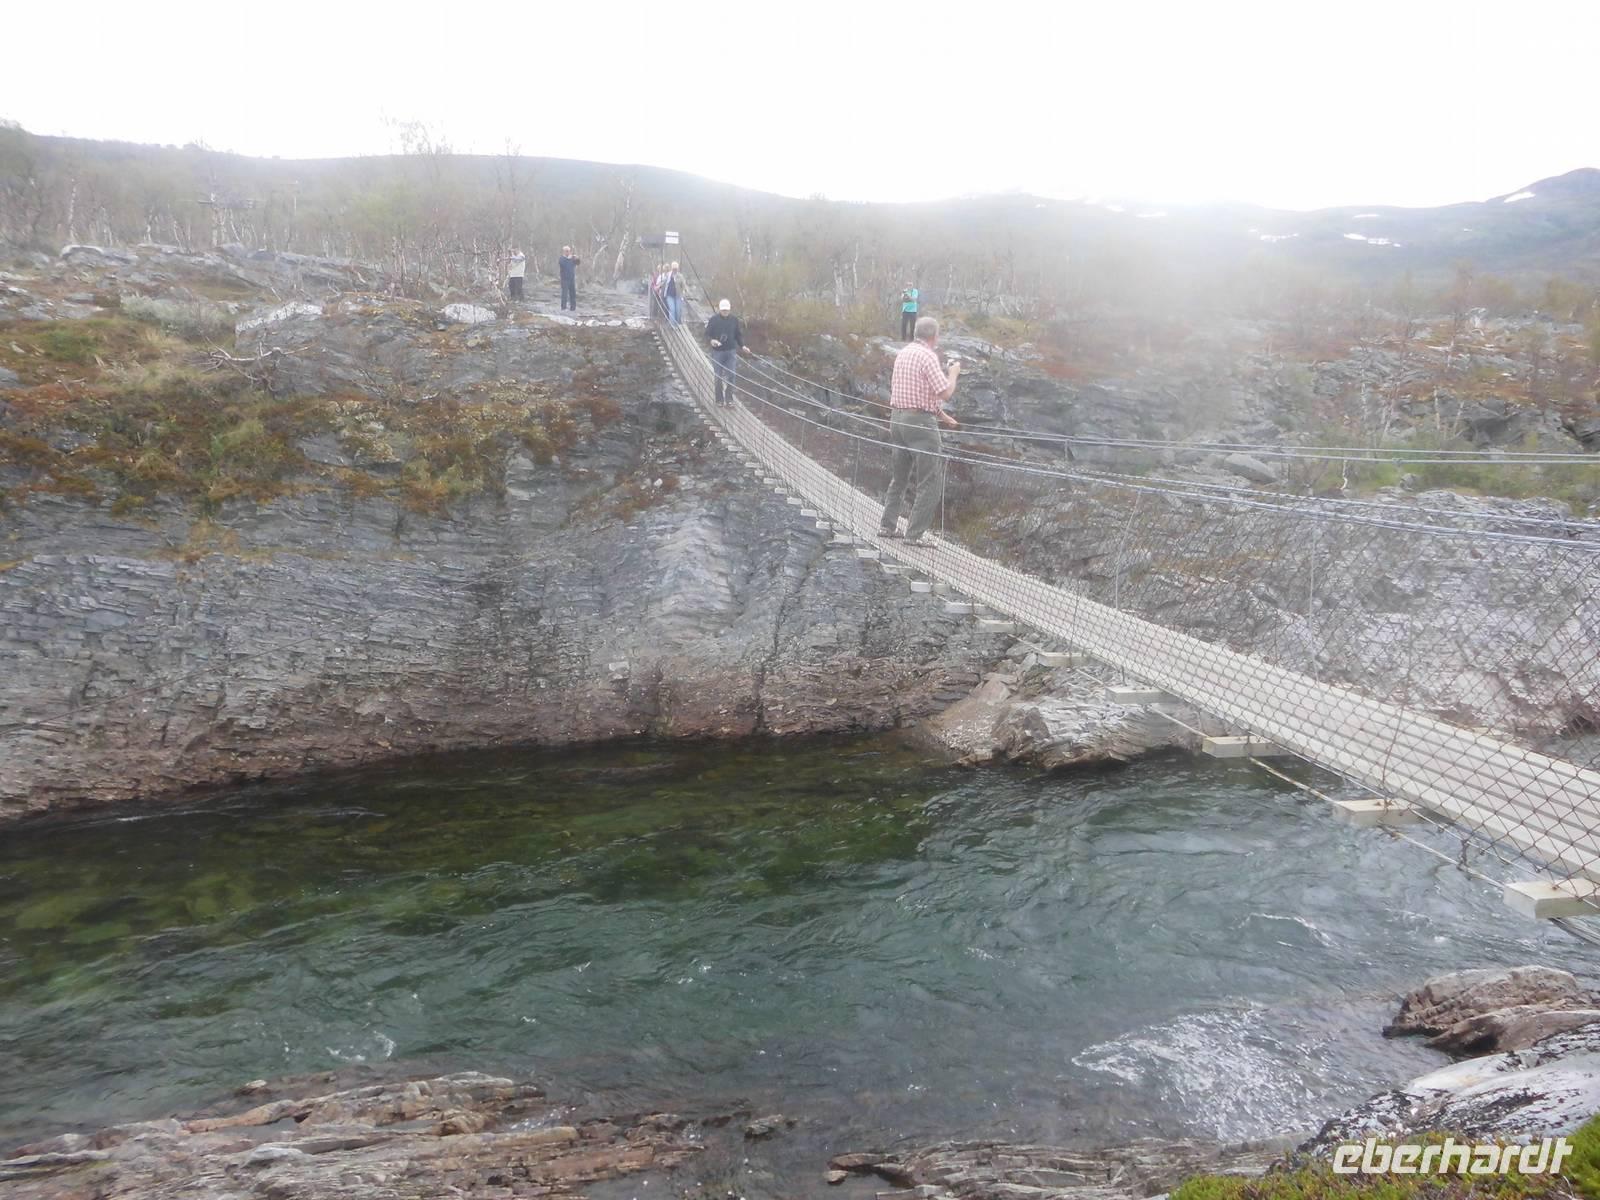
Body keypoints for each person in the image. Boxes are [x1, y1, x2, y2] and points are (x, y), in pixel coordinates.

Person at [879, 315, 960, 546]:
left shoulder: (904, 353)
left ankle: (887, 526)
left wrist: (942, 416)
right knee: (929, 481)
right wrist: (953, 373)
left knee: (899, 477)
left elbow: (916, 391)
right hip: (920, 425)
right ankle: (913, 536)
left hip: (897, 420)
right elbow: (945, 392)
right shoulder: (928, 356)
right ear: (935, 336)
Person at [704, 298, 750, 405]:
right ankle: (719, 400)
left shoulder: (734, 320)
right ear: (720, 309)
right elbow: (706, 334)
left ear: (729, 310)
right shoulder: (713, 320)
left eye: (727, 310)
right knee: (718, 376)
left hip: (731, 352)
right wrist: (712, 341)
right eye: (723, 310)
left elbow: (738, 335)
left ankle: (729, 399)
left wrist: (743, 346)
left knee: (731, 375)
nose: (725, 312)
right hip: (718, 352)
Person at [559, 245, 581, 311]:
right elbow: (562, 264)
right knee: (564, 294)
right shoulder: (561, 258)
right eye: (566, 251)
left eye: (569, 251)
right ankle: (563, 308)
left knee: (573, 294)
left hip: (572, 279)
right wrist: (568, 258)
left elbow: (578, 263)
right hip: (564, 279)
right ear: (564, 251)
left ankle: (573, 308)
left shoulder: (572, 259)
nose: (568, 252)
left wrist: (577, 258)